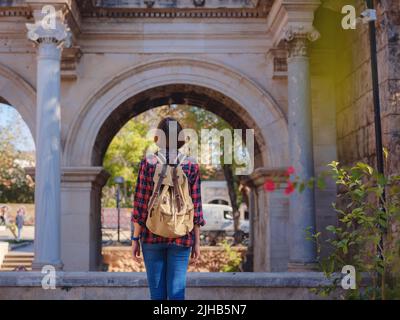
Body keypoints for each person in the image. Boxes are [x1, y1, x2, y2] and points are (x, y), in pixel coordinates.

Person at [131, 117, 205, 300]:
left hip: (151, 234)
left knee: (157, 296)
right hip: (182, 236)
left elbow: (140, 205)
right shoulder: (191, 165)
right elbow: (196, 205)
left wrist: (134, 238)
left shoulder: (148, 163)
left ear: (158, 136)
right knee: (177, 294)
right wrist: (197, 242)